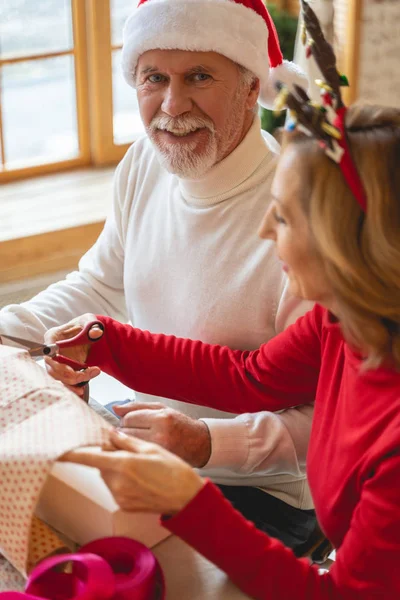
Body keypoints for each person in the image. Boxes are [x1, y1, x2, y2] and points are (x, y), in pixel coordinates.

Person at [52, 4, 400, 596]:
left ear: (345, 242)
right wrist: (105, 339)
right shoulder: (340, 323)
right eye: (154, 77)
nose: (266, 234)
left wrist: (190, 499)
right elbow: (245, 377)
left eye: (284, 218)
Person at [0, 0, 316, 549]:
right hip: (143, 451)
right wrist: (11, 329)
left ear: (250, 86)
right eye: (154, 78)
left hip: (262, 492)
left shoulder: (300, 217)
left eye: (199, 76)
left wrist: (204, 443)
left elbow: (321, 422)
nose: (172, 105)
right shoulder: (144, 161)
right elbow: (100, 284)